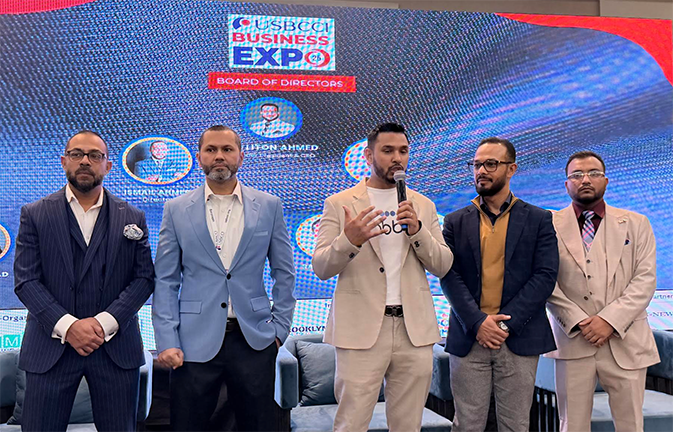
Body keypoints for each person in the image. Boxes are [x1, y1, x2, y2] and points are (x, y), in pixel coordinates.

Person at [152, 125, 296, 432]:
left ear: (241, 157)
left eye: (227, 149)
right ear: (199, 157)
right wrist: (167, 339)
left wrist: (280, 329)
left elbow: (284, 272)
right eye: (211, 149)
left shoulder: (269, 206)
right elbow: (165, 280)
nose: (219, 156)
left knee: (260, 426)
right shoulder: (176, 209)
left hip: (254, 340)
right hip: (192, 342)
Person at [312, 122, 453, 432]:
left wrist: (418, 231)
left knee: (408, 425)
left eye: (403, 151)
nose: (397, 158)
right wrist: (349, 240)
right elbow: (321, 267)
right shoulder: (340, 203)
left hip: (414, 331)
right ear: (368, 155)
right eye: (387, 151)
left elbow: (443, 265)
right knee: (351, 423)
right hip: (359, 331)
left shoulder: (423, 205)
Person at [14, 130, 155, 432]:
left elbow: (144, 279)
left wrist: (103, 324)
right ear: (64, 161)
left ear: (108, 165)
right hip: (50, 349)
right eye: (77, 154)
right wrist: (69, 327)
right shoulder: (35, 214)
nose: (85, 161)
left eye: (94, 155)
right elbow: (26, 280)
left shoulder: (133, 217)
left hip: (115, 350)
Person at [440, 137, 558, 432]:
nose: (481, 171)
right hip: (470, 337)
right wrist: (478, 322)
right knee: (466, 425)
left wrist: (504, 325)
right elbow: (448, 275)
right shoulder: (455, 221)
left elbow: (545, 275)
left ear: (511, 169)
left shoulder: (538, 219)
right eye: (477, 164)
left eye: (491, 164)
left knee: (515, 425)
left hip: (518, 336)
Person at [546, 151, 660, 432]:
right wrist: (577, 321)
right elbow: (545, 281)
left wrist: (609, 321)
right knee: (571, 425)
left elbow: (644, 280)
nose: (585, 180)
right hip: (573, 340)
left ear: (606, 180)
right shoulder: (548, 225)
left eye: (594, 173)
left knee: (631, 425)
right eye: (577, 175)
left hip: (627, 341)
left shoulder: (637, 223)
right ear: (566, 184)